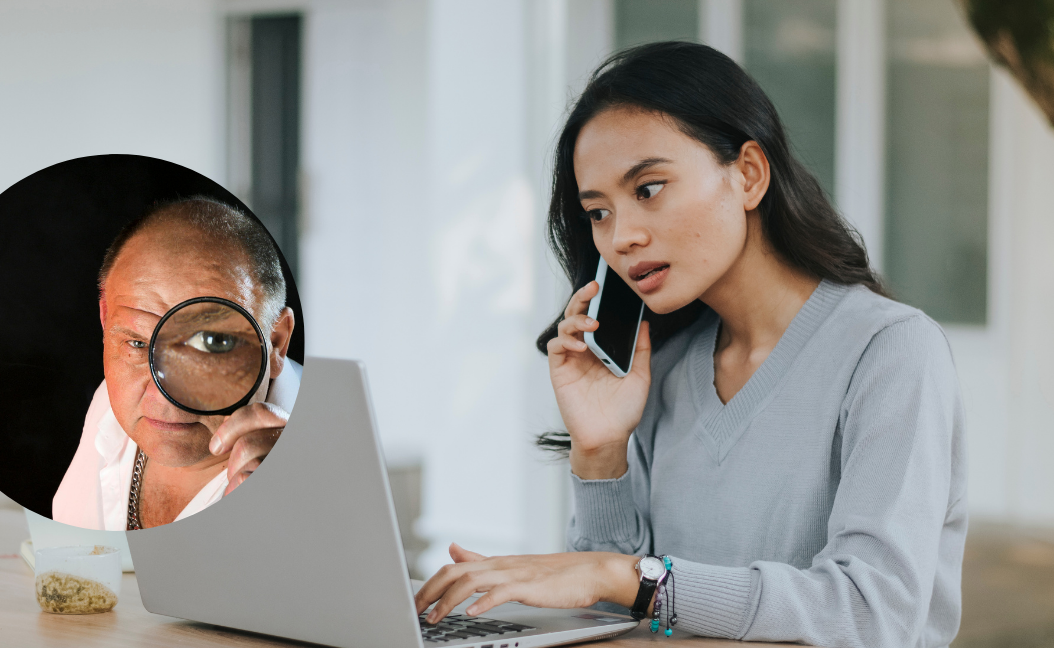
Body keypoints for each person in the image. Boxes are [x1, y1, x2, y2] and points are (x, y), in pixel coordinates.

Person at [414, 42, 966, 647]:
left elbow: (872, 612)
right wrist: (600, 454)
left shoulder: (891, 352)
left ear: (749, 174)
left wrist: (628, 576)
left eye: (648, 189)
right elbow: (612, 612)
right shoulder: (663, 369)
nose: (622, 236)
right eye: (598, 212)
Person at [53, 196, 300, 530]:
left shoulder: (322, 470)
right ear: (105, 321)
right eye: (138, 343)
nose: (164, 395)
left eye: (213, 343)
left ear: (276, 344)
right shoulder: (109, 406)